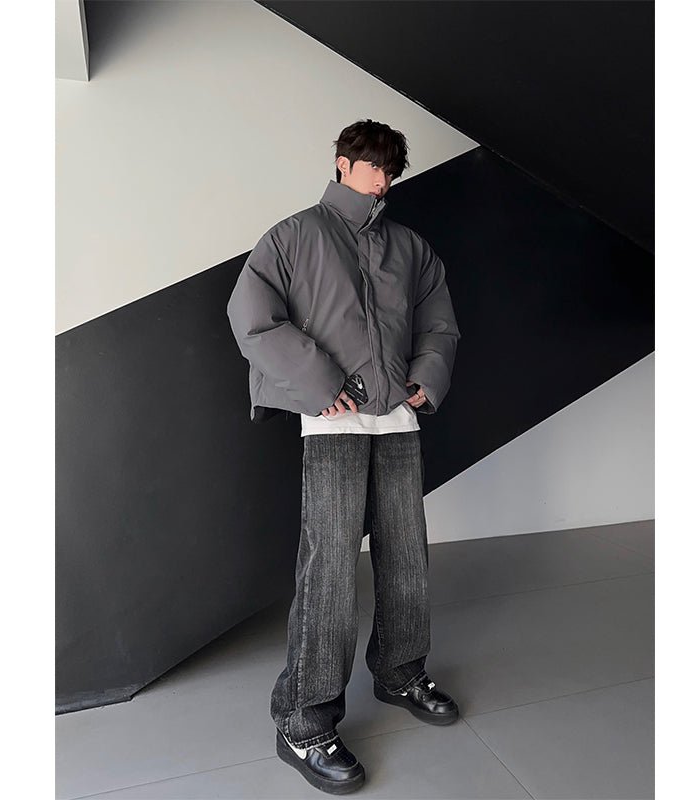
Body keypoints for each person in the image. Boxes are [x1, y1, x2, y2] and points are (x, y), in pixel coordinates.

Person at [227, 119, 461, 794]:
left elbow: (438, 321)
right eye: (371, 167)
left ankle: (400, 671)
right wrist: (319, 384)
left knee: (407, 554)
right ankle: (304, 722)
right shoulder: (293, 237)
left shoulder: (410, 247)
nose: (381, 181)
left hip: (396, 419)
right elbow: (252, 317)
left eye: (390, 171)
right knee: (328, 569)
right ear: (341, 163)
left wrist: (426, 379)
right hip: (333, 424)